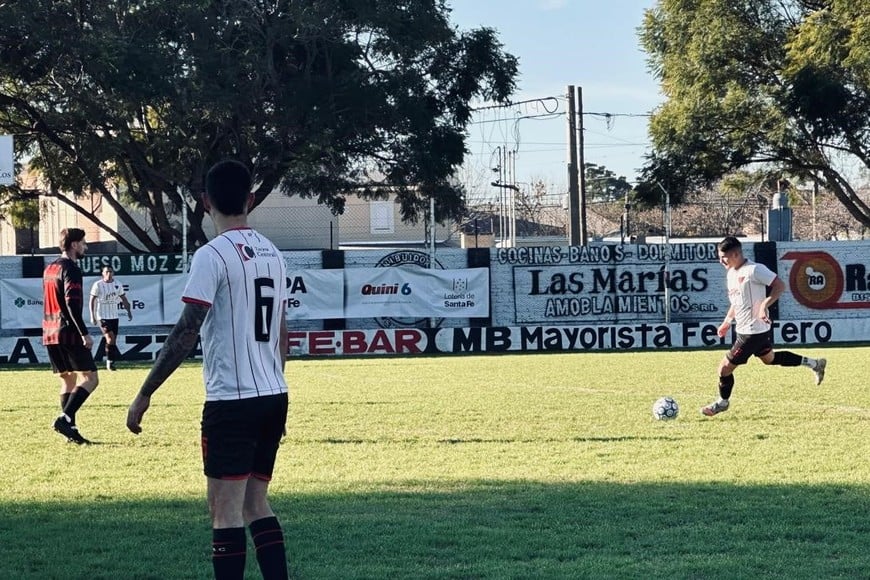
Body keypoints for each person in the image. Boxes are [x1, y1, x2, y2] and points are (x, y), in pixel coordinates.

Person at [126, 159, 290, 580]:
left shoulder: (211, 255)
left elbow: (186, 330)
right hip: (274, 395)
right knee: (257, 503)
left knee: (224, 510)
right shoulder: (273, 253)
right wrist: (274, 379)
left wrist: (146, 392)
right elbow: (282, 333)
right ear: (250, 200)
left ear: (205, 202)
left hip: (232, 401)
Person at [701, 236, 827, 417]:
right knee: (770, 359)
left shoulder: (755, 270)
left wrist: (764, 305)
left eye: (724, 257)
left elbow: (780, 285)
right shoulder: (731, 274)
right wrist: (727, 322)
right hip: (747, 329)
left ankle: (722, 402)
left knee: (724, 368)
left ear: (736, 254)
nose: (720, 261)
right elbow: (736, 302)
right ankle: (815, 364)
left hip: (752, 332)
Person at [43, 227, 99, 444]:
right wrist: (84, 333)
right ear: (74, 244)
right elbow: (71, 303)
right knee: (91, 378)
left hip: (49, 331)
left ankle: (70, 429)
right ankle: (64, 418)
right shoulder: (71, 269)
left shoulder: (50, 268)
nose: (85, 247)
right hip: (68, 332)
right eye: (84, 243)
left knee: (68, 379)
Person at [90, 266, 133, 370]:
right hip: (102, 315)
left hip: (114, 316)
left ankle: (110, 362)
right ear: (103, 273)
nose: (108, 273)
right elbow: (92, 300)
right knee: (110, 338)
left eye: (110, 271)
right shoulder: (98, 285)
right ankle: (109, 364)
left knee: (113, 340)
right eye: (106, 272)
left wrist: (129, 312)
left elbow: (124, 299)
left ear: (113, 273)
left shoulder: (117, 284)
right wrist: (93, 316)